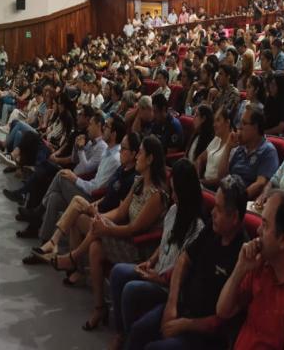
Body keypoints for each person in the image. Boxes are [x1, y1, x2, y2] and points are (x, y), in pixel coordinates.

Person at [52, 135, 169, 331]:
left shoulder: (158, 195)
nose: (137, 156)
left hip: (139, 247)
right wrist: (101, 218)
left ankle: (73, 258)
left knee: (94, 231)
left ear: (150, 159)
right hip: (125, 236)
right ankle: (99, 307)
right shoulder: (139, 182)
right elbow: (121, 212)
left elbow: (135, 229)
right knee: (92, 240)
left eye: (140, 153)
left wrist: (106, 228)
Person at [126, 175, 248, 350]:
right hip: (183, 306)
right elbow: (184, 259)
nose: (212, 213)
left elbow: (222, 319)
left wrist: (184, 325)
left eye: (219, 209)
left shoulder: (242, 255)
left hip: (204, 333)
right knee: (139, 331)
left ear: (234, 217)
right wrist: (172, 304)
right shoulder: (213, 229)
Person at [109, 160, 205, 350]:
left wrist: (156, 277)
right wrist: (150, 261)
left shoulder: (197, 228)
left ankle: (130, 339)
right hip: (156, 270)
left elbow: (183, 272)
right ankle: (121, 334)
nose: (173, 196)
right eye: (172, 190)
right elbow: (164, 243)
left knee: (131, 289)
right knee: (118, 272)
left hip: (168, 286)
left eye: (176, 192)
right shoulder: (174, 210)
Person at [216, 190, 284, 348]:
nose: (258, 231)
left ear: (283, 240)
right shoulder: (261, 261)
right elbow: (223, 311)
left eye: (265, 225)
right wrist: (240, 268)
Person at [25, 131, 140, 262]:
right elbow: (107, 193)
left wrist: (98, 211)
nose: (120, 151)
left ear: (133, 154)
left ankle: (49, 234)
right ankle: (45, 243)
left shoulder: (127, 174)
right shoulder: (121, 169)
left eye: (123, 149)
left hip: (101, 211)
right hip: (95, 201)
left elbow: (118, 210)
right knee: (54, 198)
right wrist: (97, 203)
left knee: (63, 178)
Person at [218, 106, 279, 199]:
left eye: (244, 123)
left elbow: (260, 184)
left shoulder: (268, 151)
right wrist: (228, 147)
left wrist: (238, 200)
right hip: (228, 194)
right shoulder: (241, 148)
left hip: (243, 200)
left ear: (255, 127)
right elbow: (222, 176)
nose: (239, 127)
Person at [196, 107, 235, 189]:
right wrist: (197, 177)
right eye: (214, 121)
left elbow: (223, 179)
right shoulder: (216, 139)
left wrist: (201, 182)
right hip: (203, 183)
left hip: (215, 189)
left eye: (218, 120)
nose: (214, 125)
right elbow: (200, 159)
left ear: (227, 123)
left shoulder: (233, 146)